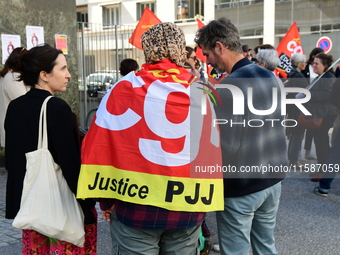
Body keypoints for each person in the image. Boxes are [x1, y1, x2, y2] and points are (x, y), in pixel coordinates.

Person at [78, 22, 223, 255]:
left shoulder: (122, 87)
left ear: (147, 50)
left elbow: (99, 146)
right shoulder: (201, 90)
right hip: (187, 208)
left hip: (134, 208)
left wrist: (105, 201)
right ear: (179, 50)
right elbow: (212, 148)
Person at [195, 18, 287, 255]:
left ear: (219, 46)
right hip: (272, 180)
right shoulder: (272, 77)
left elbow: (225, 147)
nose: (207, 60)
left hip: (241, 188)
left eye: (207, 54)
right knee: (266, 247)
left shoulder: (229, 87)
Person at [4, 44, 97, 254]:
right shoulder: (56, 108)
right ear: (44, 75)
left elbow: (13, 161)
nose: (69, 75)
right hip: (62, 210)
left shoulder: (15, 107)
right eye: (63, 69)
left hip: (33, 209)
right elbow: (70, 165)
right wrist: (88, 203)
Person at [304, 53, 337, 181]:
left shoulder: (328, 77)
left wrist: (309, 94)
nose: (314, 65)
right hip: (320, 113)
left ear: (325, 65)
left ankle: (324, 171)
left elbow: (327, 95)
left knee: (322, 142)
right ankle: (322, 168)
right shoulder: (321, 77)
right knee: (319, 141)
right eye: (313, 63)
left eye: (317, 63)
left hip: (326, 115)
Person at [0, 47, 28, 148]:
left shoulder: (9, 76)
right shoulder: (13, 77)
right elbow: (25, 103)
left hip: (14, 130)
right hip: (15, 131)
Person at [284, 53, 309, 167]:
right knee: (298, 134)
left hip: (292, 107)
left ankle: (292, 159)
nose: (306, 64)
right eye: (304, 62)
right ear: (299, 64)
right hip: (297, 108)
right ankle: (294, 161)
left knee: (294, 134)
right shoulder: (298, 76)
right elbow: (305, 91)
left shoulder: (291, 73)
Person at [301, 48, 324, 161]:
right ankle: (299, 154)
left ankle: (308, 151)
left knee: (311, 127)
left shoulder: (325, 73)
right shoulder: (306, 67)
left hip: (313, 101)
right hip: (305, 98)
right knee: (303, 125)